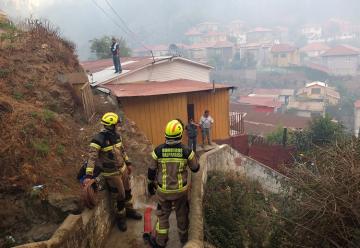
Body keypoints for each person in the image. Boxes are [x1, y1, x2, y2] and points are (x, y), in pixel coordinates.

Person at [84, 112, 142, 232]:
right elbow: (92, 158)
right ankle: (121, 218)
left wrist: (128, 163)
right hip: (112, 173)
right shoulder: (98, 139)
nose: (118, 126)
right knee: (120, 195)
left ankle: (130, 211)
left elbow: (122, 151)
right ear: (111, 125)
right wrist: (88, 175)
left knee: (127, 191)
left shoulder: (117, 136)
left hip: (123, 169)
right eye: (116, 124)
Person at [148, 119, 200, 248]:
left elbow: (151, 170)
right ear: (180, 134)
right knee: (182, 216)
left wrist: (150, 184)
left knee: (163, 216)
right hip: (180, 192)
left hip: (163, 192)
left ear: (166, 134)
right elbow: (195, 168)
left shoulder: (158, 151)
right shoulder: (187, 151)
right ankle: (184, 241)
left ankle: (161, 242)